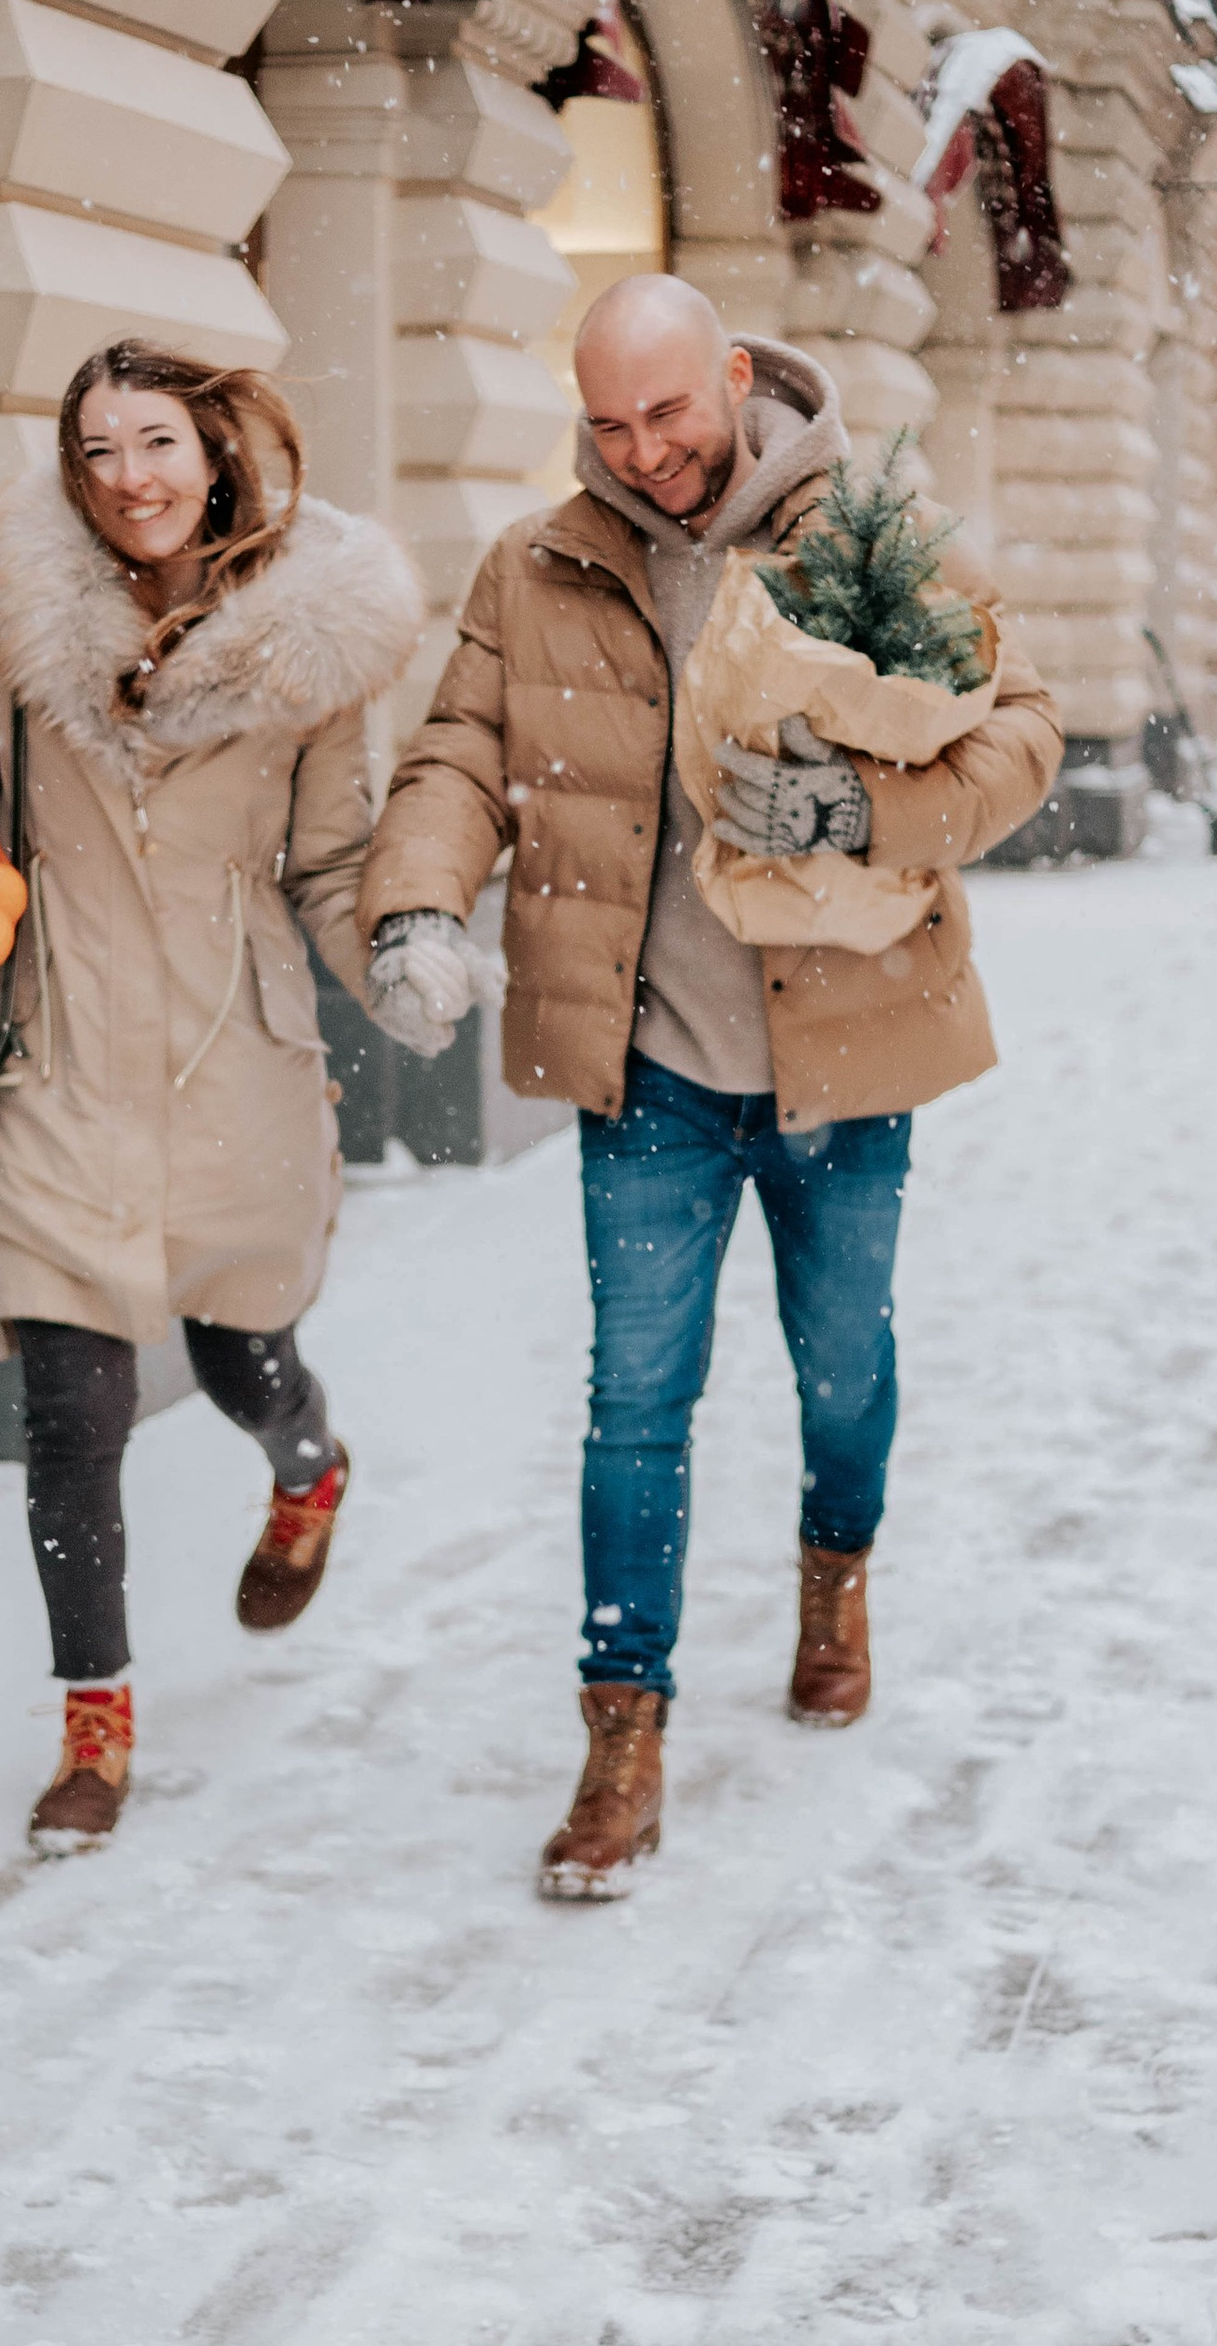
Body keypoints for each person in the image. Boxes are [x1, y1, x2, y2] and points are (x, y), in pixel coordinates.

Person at [356, 274, 1061, 1901]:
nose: (643, 451)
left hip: (846, 1050)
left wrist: (865, 817)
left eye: (668, 413)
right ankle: (622, 1732)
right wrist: (414, 899)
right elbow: (461, 752)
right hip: (651, 1061)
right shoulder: (539, 568)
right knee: (635, 1403)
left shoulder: (869, 532)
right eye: (606, 423)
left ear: (735, 379)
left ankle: (835, 1570)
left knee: (839, 1368)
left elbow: (1023, 729)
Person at [0, 340, 425, 1849]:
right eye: (99, 452)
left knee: (241, 1351)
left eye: (157, 446)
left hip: (229, 1045)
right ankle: (93, 1721)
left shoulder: (316, 643)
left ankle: (306, 1466)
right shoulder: (15, 591)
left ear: (219, 451)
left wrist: (395, 959)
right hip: (53, 1039)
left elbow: (329, 862)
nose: (129, 481)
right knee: (73, 1401)